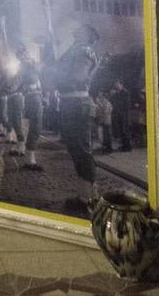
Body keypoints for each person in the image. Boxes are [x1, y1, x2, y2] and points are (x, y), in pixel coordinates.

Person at [51, 23, 102, 215]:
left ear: (88, 36)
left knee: (82, 149)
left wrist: (57, 74)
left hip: (78, 103)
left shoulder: (84, 51)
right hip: (69, 103)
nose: (76, 30)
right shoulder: (73, 50)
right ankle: (86, 193)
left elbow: (78, 76)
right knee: (74, 148)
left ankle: (88, 198)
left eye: (81, 30)